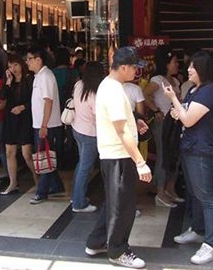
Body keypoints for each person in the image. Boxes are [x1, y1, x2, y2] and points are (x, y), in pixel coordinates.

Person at [85, 46, 151, 270]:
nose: (136, 72)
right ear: (123, 67)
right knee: (123, 207)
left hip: (114, 155)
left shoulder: (110, 85)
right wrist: (140, 162)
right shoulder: (113, 90)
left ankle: (96, 242)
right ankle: (118, 251)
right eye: (134, 68)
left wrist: (134, 120)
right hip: (119, 156)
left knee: (115, 203)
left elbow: (120, 120)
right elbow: (121, 130)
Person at [164, 50, 213, 265]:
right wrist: (177, 110)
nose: (188, 69)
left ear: (202, 69)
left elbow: (188, 120)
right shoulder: (194, 90)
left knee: (206, 197)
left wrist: (173, 99)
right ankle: (198, 230)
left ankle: (212, 244)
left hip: (201, 150)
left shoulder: (209, 92)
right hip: (190, 148)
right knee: (195, 193)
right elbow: (185, 113)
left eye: (192, 67)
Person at [143, 46, 182, 207]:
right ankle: (160, 192)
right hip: (163, 123)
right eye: (174, 61)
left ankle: (170, 189)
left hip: (175, 123)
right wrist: (156, 110)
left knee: (174, 156)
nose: (177, 64)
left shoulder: (176, 81)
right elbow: (145, 94)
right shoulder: (157, 80)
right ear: (166, 63)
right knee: (163, 156)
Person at [27, 46, 66, 204]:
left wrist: (44, 125)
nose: (27, 62)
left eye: (30, 59)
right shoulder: (39, 76)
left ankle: (41, 192)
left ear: (39, 60)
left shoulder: (46, 76)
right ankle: (57, 186)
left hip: (48, 125)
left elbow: (48, 102)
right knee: (47, 156)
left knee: (44, 157)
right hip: (41, 124)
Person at [0, 53, 36, 194]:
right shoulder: (9, 81)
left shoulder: (29, 79)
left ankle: (37, 179)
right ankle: (13, 182)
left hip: (25, 119)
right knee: (9, 152)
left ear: (21, 64)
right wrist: (8, 83)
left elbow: (34, 100)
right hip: (10, 119)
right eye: (10, 66)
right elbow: (2, 96)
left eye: (15, 65)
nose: (13, 69)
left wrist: (23, 107)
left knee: (27, 154)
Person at [71, 61, 102, 213]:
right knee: (85, 167)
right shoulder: (94, 93)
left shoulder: (78, 85)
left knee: (82, 164)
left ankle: (76, 196)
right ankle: (78, 203)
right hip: (90, 133)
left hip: (77, 129)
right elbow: (98, 115)